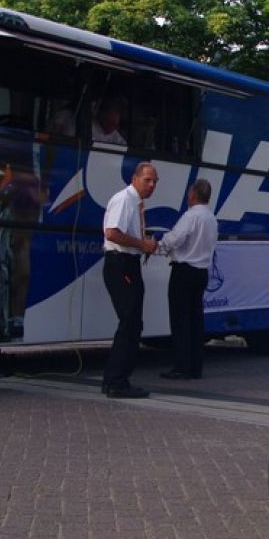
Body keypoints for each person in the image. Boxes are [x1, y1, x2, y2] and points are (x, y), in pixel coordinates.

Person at [102, 162, 159, 397]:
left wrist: (143, 245)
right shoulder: (125, 199)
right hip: (121, 263)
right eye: (147, 180)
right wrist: (141, 244)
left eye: (154, 181)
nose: (151, 185)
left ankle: (115, 379)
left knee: (133, 322)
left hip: (129, 263)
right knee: (129, 323)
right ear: (135, 178)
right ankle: (117, 381)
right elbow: (112, 233)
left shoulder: (135, 203)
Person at [158, 179, 219, 380]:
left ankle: (182, 366)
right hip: (201, 272)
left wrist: (160, 245)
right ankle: (195, 366)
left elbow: (176, 238)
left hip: (184, 271)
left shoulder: (191, 216)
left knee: (180, 320)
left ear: (192, 194)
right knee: (195, 320)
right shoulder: (211, 218)